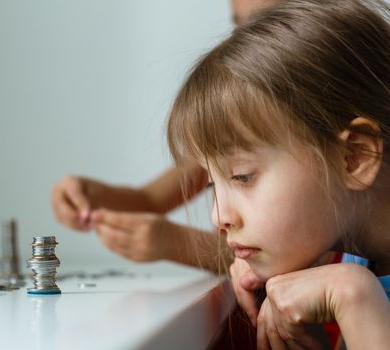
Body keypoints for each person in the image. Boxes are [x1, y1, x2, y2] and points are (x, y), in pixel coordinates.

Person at [166, 0, 390, 348]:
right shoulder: (358, 256)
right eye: (213, 184)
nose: (219, 216)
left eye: (242, 176)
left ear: (354, 157)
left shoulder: (356, 282)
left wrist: (352, 296)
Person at [51, 0, 282, 273]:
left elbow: (288, 253)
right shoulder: (230, 119)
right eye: (237, 25)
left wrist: (174, 242)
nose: (245, 42)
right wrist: (93, 196)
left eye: (266, 23)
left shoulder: (313, 130)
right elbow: (148, 201)